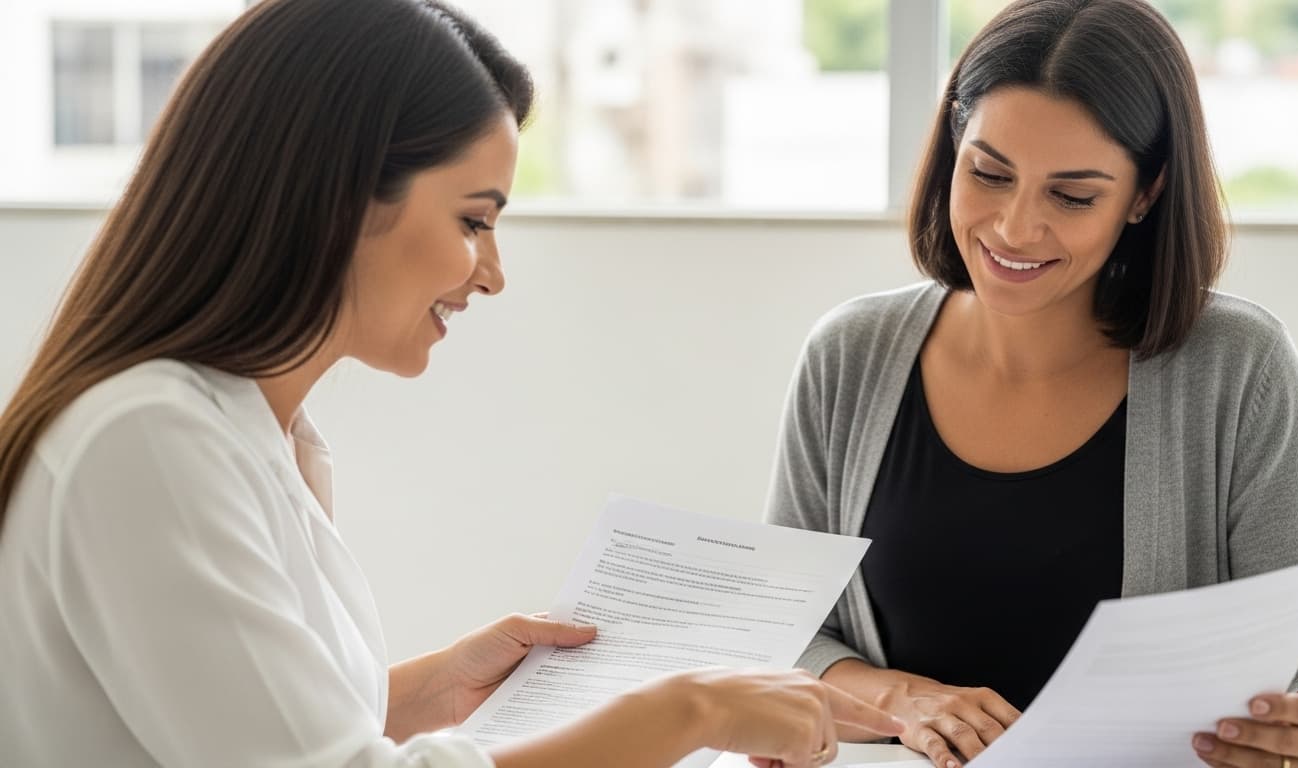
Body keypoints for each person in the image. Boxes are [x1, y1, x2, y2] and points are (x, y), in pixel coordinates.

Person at [0, 1, 906, 766]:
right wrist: (684, 715)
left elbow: (245, 729)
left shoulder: (258, 432)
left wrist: (433, 691)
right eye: (474, 220)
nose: (491, 273)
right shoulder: (149, 441)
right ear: (338, 197)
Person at [764, 1, 1298, 767]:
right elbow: (784, 635)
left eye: (1073, 195)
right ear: (955, 143)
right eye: (989, 174)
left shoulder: (1238, 365)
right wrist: (899, 697)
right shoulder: (848, 356)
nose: (1015, 227)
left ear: (1146, 194)